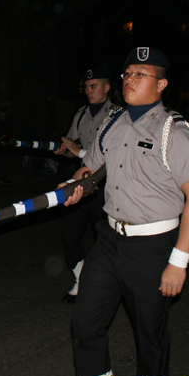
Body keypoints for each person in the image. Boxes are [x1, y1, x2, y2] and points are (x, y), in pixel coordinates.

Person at [62, 46, 189, 376]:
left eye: (140, 75)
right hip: (110, 239)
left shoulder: (172, 132)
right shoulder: (113, 124)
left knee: (150, 335)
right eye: (127, 74)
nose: (130, 80)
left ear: (161, 85)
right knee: (84, 323)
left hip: (153, 246)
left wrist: (178, 262)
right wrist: (74, 185)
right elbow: (91, 169)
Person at [54, 68, 119, 303]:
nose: (88, 91)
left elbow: (110, 157)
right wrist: (65, 151)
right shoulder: (81, 114)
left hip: (106, 184)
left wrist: (78, 151)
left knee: (106, 236)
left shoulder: (117, 116)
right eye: (86, 86)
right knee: (69, 233)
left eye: (94, 86)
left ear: (107, 87)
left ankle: (107, 281)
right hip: (82, 181)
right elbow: (76, 151)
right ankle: (82, 278)